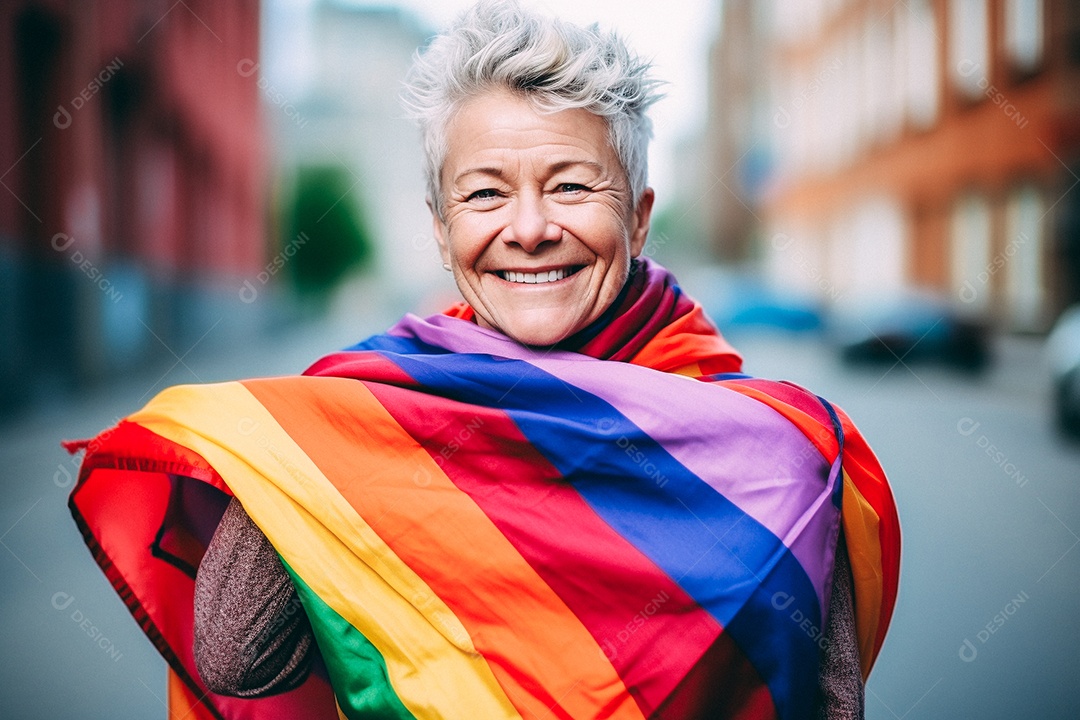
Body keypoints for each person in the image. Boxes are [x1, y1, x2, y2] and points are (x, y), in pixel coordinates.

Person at [68, 1, 900, 719]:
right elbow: (237, 658)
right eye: (485, 193)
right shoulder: (365, 412)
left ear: (640, 217)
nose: (529, 227)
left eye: (573, 185)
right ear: (441, 228)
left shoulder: (773, 456)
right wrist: (310, 456)